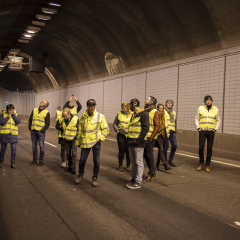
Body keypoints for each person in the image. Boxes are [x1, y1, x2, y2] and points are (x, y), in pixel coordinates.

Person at [75, 99, 109, 187]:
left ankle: (95, 178)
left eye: (93, 105)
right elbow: (79, 131)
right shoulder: (82, 118)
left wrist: (100, 138)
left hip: (96, 142)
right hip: (85, 142)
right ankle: (80, 174)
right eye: (90, 106)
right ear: (87, 107)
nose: (92, 107)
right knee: (82, 160)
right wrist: (78, 141)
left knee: (96, 161)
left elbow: (106, 129)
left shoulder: (100, 116)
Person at [126, 98, 149, 189]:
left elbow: (145, 128)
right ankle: (133, 179)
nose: (129, 107)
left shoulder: (144, 114)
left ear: (134, 104)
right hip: (131, 141)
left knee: (139, 162)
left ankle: (138, 182)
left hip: (139, 142)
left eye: (130, 105)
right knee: (133, 162)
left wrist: (139, 139)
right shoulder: (133, 115)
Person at [195, 95, 221, 172]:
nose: (208, 101)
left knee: (209, 148)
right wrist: (198, 128)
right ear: (205, 101)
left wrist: (215, 129)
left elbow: (218, 120)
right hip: (202, 131)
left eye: (209, 100)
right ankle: (201, 163)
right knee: (201, 148)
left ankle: (207, 165)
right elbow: (196, 118)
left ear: (211, 101)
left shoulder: (216, 109)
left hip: (211, 132)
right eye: (207, 100)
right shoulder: (200, 108)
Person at [56, 107, 79, 174]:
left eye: (65, 116)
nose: (64, 117)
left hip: (73, 139)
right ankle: (69, 167)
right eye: (63, 116)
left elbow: (79, 129)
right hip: (66, 139)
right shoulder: (63, 120)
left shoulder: (75, 119)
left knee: (74, 154)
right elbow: (62, 128)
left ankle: (73, 169)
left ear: (69, 114)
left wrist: (77, 137)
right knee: (68, 154)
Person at [143, 96, 160, 182]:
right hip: (145, 136)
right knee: (145, 155)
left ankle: (152, 173)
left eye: (147, 99)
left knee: (149, 155)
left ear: (151, 102)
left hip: (150, 137)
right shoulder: (147, 110)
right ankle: (151, 171)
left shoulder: (155, 112)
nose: (146, 100)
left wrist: (152, 137)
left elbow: (157, 126)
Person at [29, 100, 50, 166]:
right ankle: (34, 160)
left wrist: (42, 130)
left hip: (41, 132)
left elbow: (47, 123)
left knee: (41, 146)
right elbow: (30, 119)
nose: (41, 102)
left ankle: (41, 160)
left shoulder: (46, 112)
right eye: (41, 101)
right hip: (33, 131)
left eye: (43, 102)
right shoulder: (34, 110)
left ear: (45, 105)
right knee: (34, 146)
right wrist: (30, 128)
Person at [113, 102, 132, 172]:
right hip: (120, 134)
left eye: (124, 108)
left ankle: (128, 166)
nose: (123, 109)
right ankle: (120, 165)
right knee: (121, 150)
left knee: (128, 151)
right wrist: (117, 130)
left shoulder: (131, 114)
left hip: (129, 134)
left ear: (127, 108)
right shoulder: (119, 114)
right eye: (122, 108)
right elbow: (115, 123)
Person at [0, 104, 21, 168]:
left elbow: (18, 122)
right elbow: (1, 123)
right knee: (3, 149)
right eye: (9, 110)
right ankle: (1, 162)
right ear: (7, 110)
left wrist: (14, 115)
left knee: (13, 149)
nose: (10, 112)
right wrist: (7, 117)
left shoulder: (16, 114)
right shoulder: (3, 114)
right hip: (4, 134)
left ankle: (13, 163)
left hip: (13, 134)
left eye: (12, 110)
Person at [155, 103, 170, 171]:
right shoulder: (156, 114)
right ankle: (165, 164)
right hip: (157, 134)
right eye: (160, 108)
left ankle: (157, 166)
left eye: (162, 108)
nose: (161, 109)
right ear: (157, 108)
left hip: (162, 133)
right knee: (160, 148)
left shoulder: (164, 114)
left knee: (160, 150)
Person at [163, 99, 177, 167]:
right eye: (168, 103)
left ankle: (170, 159)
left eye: (171, 103)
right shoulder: (164, 112)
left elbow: (175, 122)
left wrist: (175, 130)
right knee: (165, 147)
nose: (169, 104)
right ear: (166, 104)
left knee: (174, 145)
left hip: (172, 131)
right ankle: (165, 161)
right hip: (166, 131)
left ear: (172, 104)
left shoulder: (174, 112)